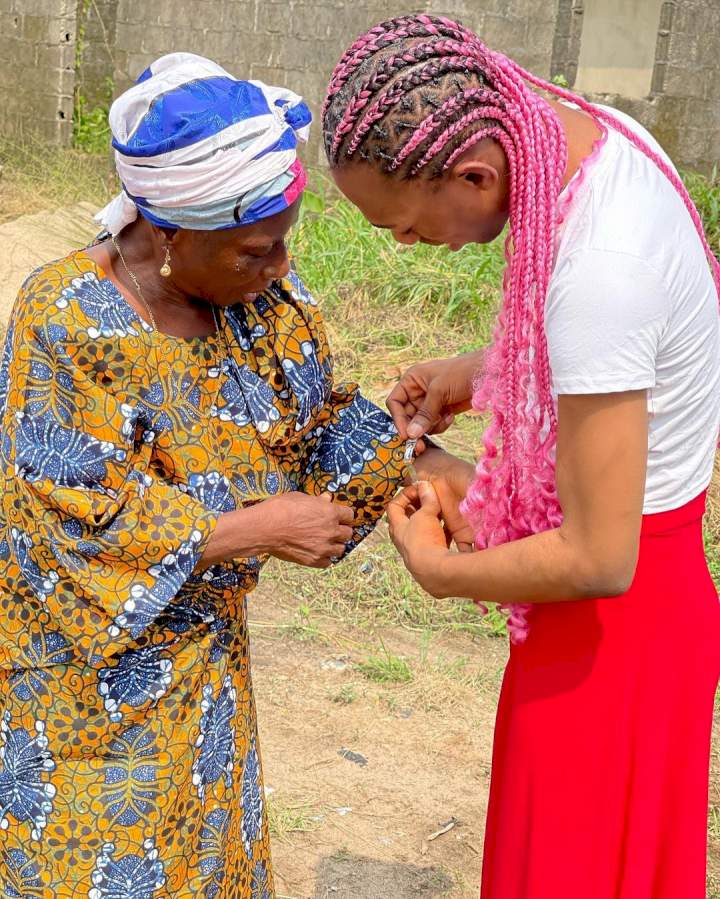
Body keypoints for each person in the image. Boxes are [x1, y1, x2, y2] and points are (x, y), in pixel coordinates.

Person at [0, 52, 463, 897]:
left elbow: (323, 434)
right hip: (84, 704)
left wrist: (410, 440)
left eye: (285, 243)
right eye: (256, 250)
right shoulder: (67, 320)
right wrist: (250, 529)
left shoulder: (264, 310)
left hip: (205, 691)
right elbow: (62, 524)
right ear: (169, 234)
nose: (280, 267)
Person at [322, 14, 720, 899]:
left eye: (407, 227)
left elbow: (597, 556)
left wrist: (438, 570)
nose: (403, 246)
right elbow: (629, 354)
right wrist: (480, 372)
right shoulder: (595, 142)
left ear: (475, 174)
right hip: (641, 621)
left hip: (613, 644)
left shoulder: (602, 271)